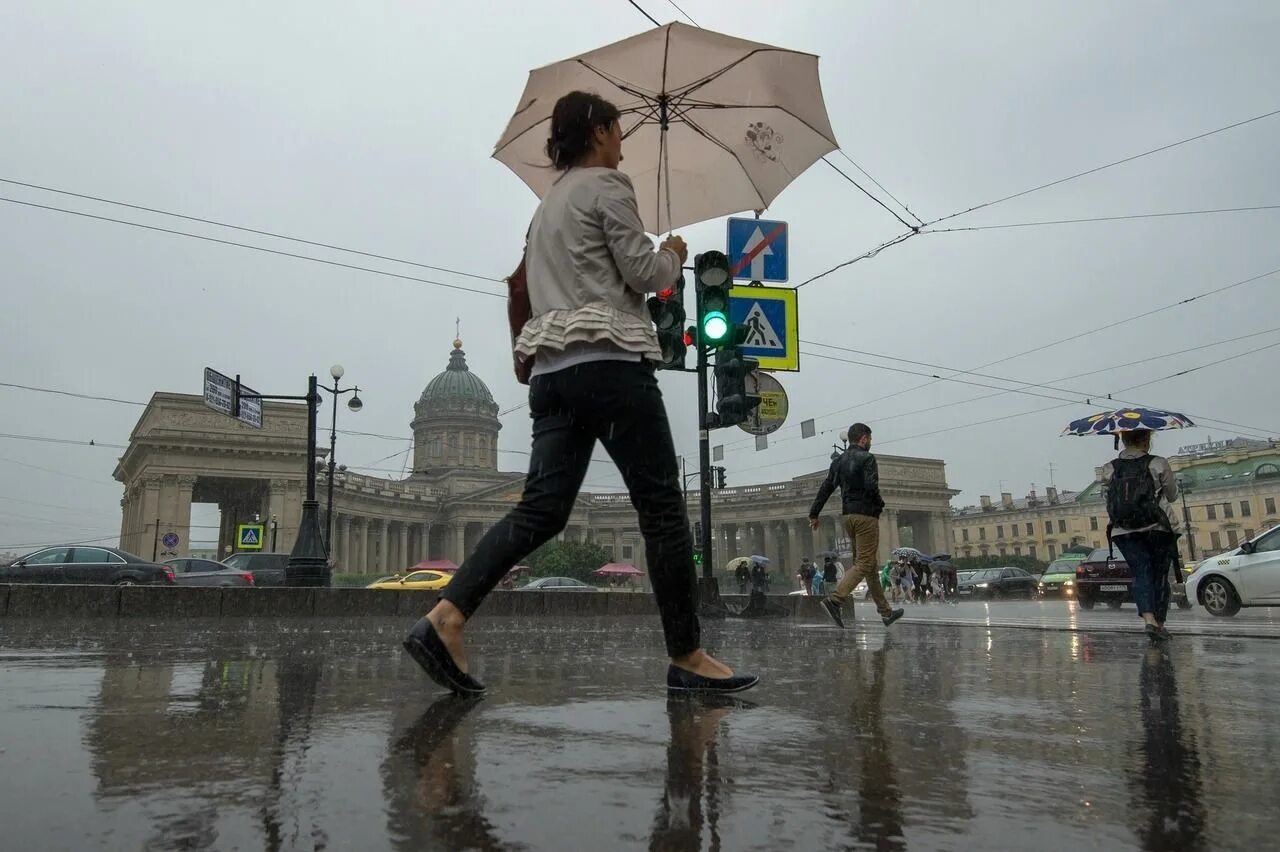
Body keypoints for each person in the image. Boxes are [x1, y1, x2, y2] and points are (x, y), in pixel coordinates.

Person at [403, 90, 757, 695]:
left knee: (540, 510)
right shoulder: (608, 188)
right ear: (596, 132)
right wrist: (669, 254)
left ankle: (446, 615)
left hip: (550, 376)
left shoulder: (544, 210)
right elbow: (642, 275)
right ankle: (688, 655)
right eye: (619, 132)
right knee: (663, 511)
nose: (624, 145)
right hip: (611, 367)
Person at [808, 422, 904, 629]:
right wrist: (879, 505)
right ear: (863, 438)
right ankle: (835, 601)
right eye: (869, 439)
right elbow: (871, 486)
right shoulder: (867, 458)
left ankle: (886, 613)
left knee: (868, 565)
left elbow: (826, 487)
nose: (870, 443)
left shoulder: (839, 461)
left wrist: (814, 513)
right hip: (865, 516)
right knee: (864, 563)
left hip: (848, 517)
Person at [1101, 428, 1180, 643]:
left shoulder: (1110, 468)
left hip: (1123, 531)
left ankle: (1148, 619)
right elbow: (1172, 496)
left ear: (1124, 441)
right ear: (1146, 440)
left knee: (1140, 572)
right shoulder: (1158, 463)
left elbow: (1108, 500)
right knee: (1160, 575)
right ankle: (1160, 623)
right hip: (1158, 528)